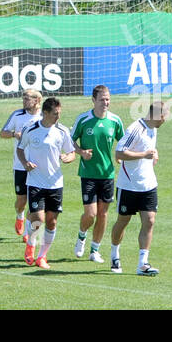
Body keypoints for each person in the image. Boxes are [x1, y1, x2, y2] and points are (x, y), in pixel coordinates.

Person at [15, 96, 77, 269]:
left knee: (52, 222)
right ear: (45, 113)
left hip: (55, 184)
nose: (58, 117)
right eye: (55, 114)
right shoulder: (31, 129)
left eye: (59, 113)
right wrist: (25, 163)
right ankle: (31, 245)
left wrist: (67, 157)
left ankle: (42, 256)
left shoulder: (62, 131)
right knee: (38, 218)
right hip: (35, 181)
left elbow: (71, 152)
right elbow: (20, 148)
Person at [70, 85, 126, 265]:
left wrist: (120, 157)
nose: (106, 102)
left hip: (107, 174)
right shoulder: (84, 119)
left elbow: (124, 142)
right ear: (93, 100)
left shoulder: (115, 121)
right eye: (102, 99)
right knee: (91, 214)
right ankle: (81, 236)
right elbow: (69, 141)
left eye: (108, 99)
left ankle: (95, 250)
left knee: (103, 214)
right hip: (88, 174)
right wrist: (80, 152)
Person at [111, 100, 168, 276]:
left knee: (150, 220)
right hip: (128, 186)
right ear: (157, 115)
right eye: (165, 115)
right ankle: (115, 255)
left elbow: (148, 149)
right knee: (123, 221)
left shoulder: (154, 129)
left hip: (148, 185)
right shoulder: (135, 128)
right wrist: (144, 154)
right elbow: (119, 153)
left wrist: (153, 153)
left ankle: (143, 264)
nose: (166, 119)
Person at [0, 90, 42, 238]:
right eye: (23, 99)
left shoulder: (44, 116)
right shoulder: (17, 115)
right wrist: (14, 134)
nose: (24, 102)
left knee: (36, 203)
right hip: (20, 165)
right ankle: (20, 216)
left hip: (38, 167)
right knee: (21, 201)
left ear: (37, 101)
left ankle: (28, 233)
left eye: (27, 99)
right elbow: (2, 133)